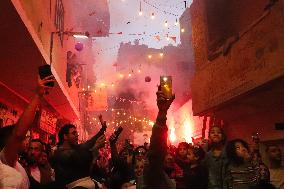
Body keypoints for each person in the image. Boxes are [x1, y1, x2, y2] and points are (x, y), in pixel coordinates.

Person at [0, 75, 55, 189]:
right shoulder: (5, 159)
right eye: (25, 138)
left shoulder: (16, 165)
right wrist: (38, 95)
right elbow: (18, 134)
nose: (27, 141)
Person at [52, 122, 106, 187]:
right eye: (73, 133)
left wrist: (102, 129)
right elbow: (79, 156)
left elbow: (89, 143)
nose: (77, 135)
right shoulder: (60, 153)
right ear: (65, 136)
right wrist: (95, 148)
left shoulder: (75, 148)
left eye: (76, 133)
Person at [141, 86, 175, 189]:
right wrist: (162, 112)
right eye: (166, 154)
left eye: (171, 155)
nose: (169, 158)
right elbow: (157, 140)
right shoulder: (154, 174)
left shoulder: (183, 172)